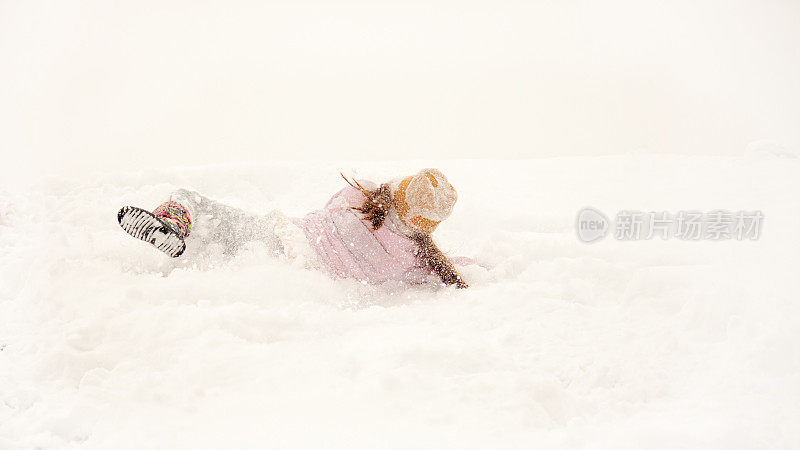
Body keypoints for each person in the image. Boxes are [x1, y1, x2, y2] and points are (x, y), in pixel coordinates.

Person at [117, 168, 470, 288]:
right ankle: (182, 243)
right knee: (223, 248)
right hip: (300, 273)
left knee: (192, 200)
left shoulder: (359, 193)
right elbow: (438, 271)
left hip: (282, 238)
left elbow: (330, 206)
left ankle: (171, 223)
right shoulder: (413, 258)